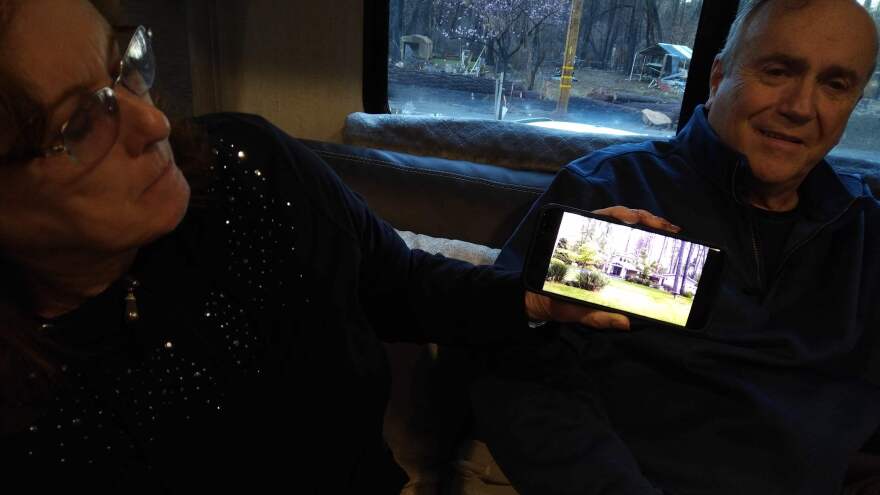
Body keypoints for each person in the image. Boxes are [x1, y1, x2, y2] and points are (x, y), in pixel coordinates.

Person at [0, 0, 623, 492]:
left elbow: (401, 285)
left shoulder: (249, 166)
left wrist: (542, 291)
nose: (155, 122)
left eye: (122, 64)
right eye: (80, 123)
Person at [469, 0, 880, 494]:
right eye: (777, 71)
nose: (800, 106)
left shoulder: (864, 233)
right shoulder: (612, 191)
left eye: (835, 85)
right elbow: (517, 371)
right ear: (718, 76)